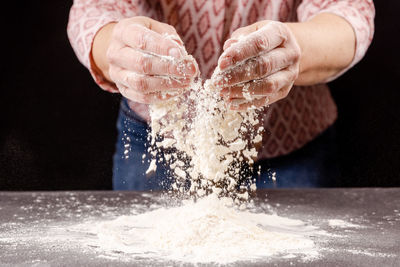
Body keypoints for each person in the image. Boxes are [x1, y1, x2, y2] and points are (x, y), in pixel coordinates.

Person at [67, 0, 375, 190]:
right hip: (158, 140)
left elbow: (348, 12)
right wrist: (117, 49)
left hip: (291, 144)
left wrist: (295, 46)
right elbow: (94, 8)